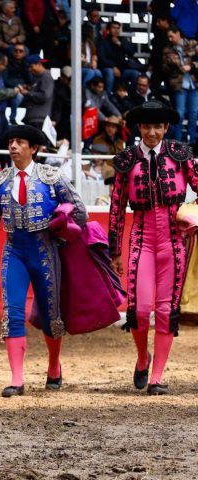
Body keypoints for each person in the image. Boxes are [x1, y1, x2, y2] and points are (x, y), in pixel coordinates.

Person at [0, 124, 87, 397]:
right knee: (12, 312)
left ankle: (54, 366)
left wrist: (62, 229)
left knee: (51, 314)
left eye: (19, 142)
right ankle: (16, 379)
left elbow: (80, 211)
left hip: (45, 250)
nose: (13, 146)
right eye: (10, 142)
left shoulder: (51, 177)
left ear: (33, 148)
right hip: (14, 251)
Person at [109, 101, 198, 395]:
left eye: (157, 127)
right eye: (147, 126)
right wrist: (114, 251)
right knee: (139, 309)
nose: (151, 132)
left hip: (174, 240)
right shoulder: (127, 160)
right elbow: (117, 207)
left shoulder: (181, 155)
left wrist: (193, 214)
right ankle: (142, 358)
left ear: (166, 127)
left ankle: (157, 376)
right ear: (139, 128)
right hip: (141, 239)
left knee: (165, 309)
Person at [162, 26, 198, 144]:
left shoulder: (193, 44)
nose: (170, 39)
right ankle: (177, 142)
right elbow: (165, 69)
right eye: (168, 37)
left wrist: (191, 66)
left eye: (171, 36)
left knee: (194, 114)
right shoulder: (167, 50)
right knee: (180, 113)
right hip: (178, 84)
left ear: (178, 33)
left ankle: (192, 142)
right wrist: (175, 65)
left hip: (194, 83)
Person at [97, 21, 142, 93]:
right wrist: (113, 67)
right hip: (107, 68)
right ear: (108, 30)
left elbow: (131, 52)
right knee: (110, 72)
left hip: (122, 69)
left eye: (118, 28)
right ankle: (108, 95)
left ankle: (131, 95)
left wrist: (119, 44)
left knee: (135, 73)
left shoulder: (122, 40)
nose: (116, 30)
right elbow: (102, 58)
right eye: (113, 28)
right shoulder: (103, 41)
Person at [21, 54, 54, 130]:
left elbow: (44, 96)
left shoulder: (46, 76)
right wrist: (29, 89)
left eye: (31, 66)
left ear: (39, 64)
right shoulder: (37, 78)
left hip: (39, 120)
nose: (30, 69)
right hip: (33, 118)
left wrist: (28, 93)